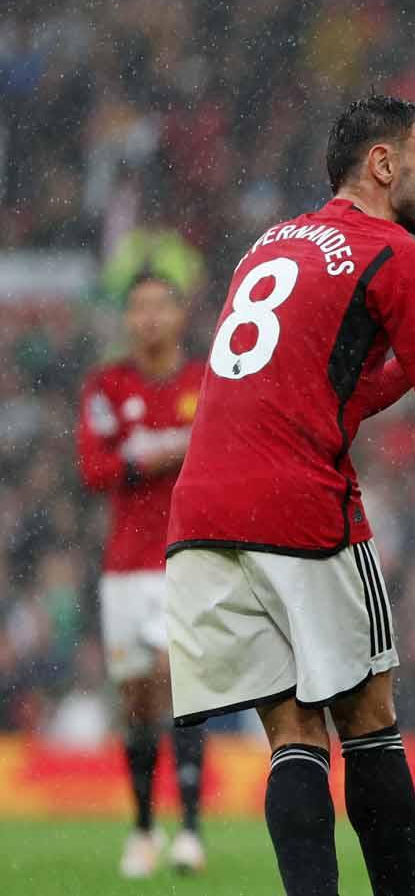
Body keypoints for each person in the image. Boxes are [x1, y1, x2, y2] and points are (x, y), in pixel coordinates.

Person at [163, 95, 415, 896]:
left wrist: (401, 360)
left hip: (203, 517)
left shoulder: (271, 242)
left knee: (291, 737)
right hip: (301, 510)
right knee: (367, 721)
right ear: (384, 165)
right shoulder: (389, 253)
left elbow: (329, 400)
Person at [76, 273, 209, 878]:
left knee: (174, 681)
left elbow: (217, 450)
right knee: (135, 700)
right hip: (124, 568)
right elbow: (94, 467)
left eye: (161, 306)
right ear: (126, 319)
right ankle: (143, 826)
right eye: (139, 309)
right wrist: (157, 457)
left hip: (185, 555)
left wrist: (152, 453)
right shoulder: (108, 384)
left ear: (180, 316)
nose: (150, 319)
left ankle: (188, 830)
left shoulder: (203, 381)